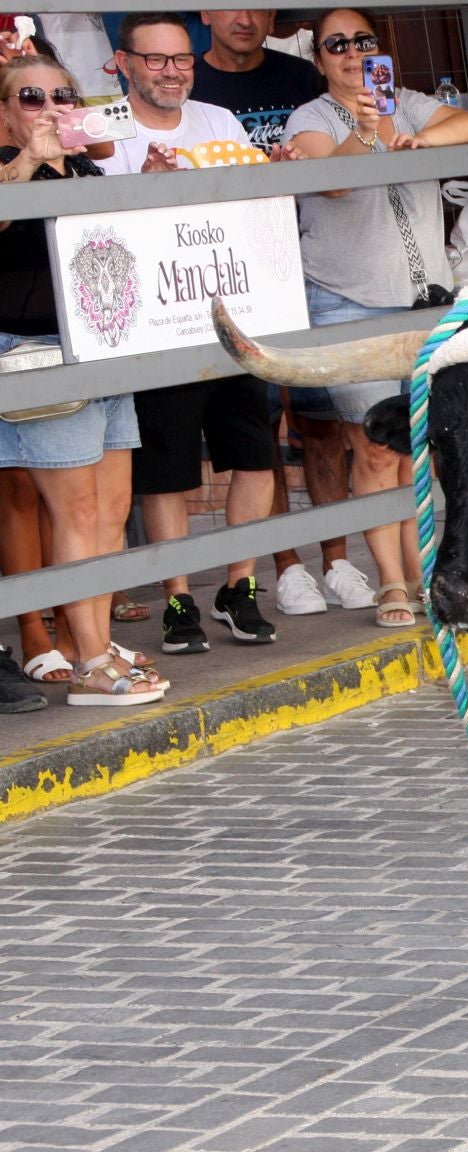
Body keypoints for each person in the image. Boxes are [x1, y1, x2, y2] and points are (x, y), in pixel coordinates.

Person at [285, 8, 468, 628]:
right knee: (373, 449)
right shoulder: (309, 118)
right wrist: (367, 132)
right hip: (350, 300)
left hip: (423, 300)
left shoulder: (408, 102)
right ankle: (392, 583)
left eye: (362, 41)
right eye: (336, 44)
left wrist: (421, 139)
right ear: (319, 59)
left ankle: (424, 575)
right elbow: (333, 182)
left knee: (417, 449)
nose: (352, 53)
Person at [97, 13, 282, 652]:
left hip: (230, 315)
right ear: (123, 63)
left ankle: (240, 587)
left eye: (181, 59)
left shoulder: (219, 121)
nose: (172, 71)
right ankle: (178, 599)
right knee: (168, 472)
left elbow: (252, 207)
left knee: (255, 457)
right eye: (156, 59)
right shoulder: (103, 131)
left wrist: (273, 172)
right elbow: (86, 231)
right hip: (155, 329)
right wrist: (141, 192)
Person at [0, 52, 166, 706]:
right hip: (36, 352)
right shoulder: (8, 165)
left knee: (110, 510)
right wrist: (28, 161)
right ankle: (93, 663)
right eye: (31, 97)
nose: (49, 108)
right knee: (76, 511)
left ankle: (89, 645)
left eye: (62, 96)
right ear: (6, 112)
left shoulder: (88, 168)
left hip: (104, 348)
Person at [188, 8, 362, 618]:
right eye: (230, 4)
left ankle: (337, 560)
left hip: (307, 263)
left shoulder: (299, 77)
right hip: (234, 272)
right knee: (260, 428)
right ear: (204, 12)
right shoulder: (191, 84)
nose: (246, 17)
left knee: (321, 422)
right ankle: (287, 567)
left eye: (259, 4)